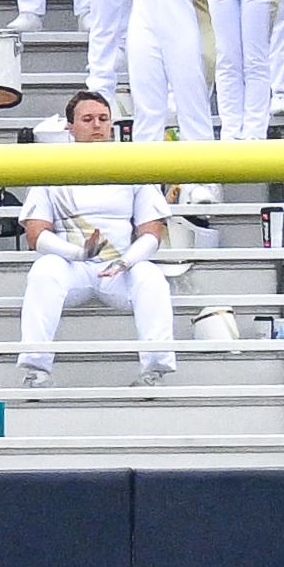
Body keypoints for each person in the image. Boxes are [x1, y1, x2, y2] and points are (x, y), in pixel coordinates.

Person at [13, 90, 177, 385]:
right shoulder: (51, 166)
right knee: (44, 270)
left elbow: (152, 231)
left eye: (103, 118)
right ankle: (36, 369)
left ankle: (155, 370)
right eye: (87, 119)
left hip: (118, 267)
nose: (97, 125)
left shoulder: (132, 165)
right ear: (70, 127)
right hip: (72, 265)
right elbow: (36, 234)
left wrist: (127, 261)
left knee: (151, 276)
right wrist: (78, 254)